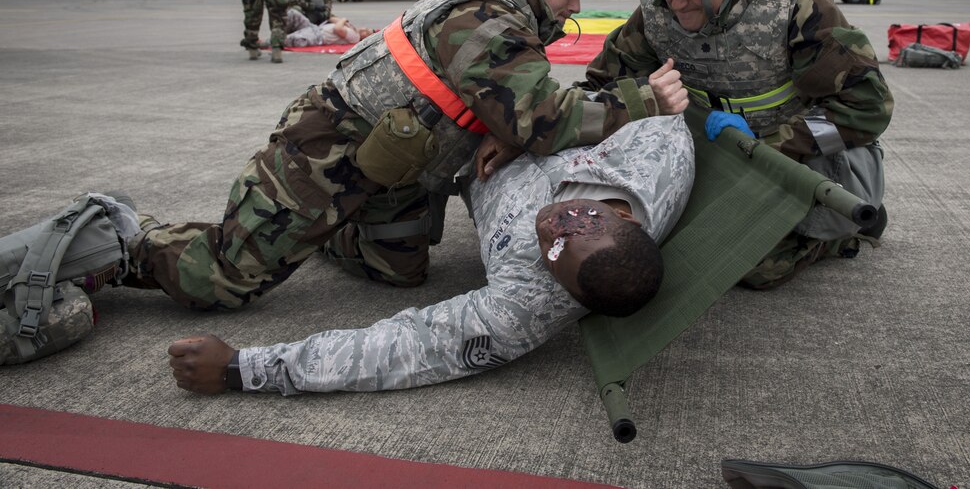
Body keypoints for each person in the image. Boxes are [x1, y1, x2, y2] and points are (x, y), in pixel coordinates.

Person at [124, 0, 688, 313]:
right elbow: (542, 120)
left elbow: (513, 109)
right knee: (223, 281)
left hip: (395, 167)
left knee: (400, 273)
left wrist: (510, 133)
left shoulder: (502, 11)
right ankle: (123, 240)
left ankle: (326, 229)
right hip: (328, 151)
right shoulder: (486, 18)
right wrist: (645, 99)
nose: (575, 7)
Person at [167, 115, 694, 395]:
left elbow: (399, 350)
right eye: (577, 225)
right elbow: (651, 111)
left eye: (550, 253)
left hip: (442, 166)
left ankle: (335, 232)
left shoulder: (524, 307)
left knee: (394, 266)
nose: (548, 227)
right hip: (474, 117)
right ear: (623, 216)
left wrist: (245, 368)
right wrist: (527, 133)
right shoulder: (656, 158)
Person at [580, 0, 893, 290]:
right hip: (718, 156)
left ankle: (840, 234)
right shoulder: (659, 6)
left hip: (799, 159)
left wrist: (773, 143)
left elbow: (867, 107)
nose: (677, 3)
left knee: (752, 264)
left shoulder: (797, 6)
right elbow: (606, 83)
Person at [282, 10, 375, 48]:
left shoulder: (355, 37)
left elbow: (338, 29)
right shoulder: (352, 28)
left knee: (289, 39)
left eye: (366, 33)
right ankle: (280, 30)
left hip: (317, 36)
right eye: (366, 29)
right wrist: (345, 22)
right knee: (293, 13)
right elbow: (331, 19)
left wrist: (343, 20)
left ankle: (275, 40)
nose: (364, 30)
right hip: (315, 28)